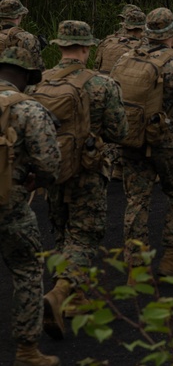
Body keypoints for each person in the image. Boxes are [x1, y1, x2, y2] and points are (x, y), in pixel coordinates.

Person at [33, 22, 127, 341]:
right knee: (85, 233)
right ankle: (61, 293)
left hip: (51, 169)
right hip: (88, 169)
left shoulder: (38, 83)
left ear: (59, 46)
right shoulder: (102, 84)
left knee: (61, 230)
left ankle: (76, 295)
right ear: (86, 49)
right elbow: (119, 132)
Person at [111, 8, 173, 281]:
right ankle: (172, 258)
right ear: (171, 33)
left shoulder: (125, 59)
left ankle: (136, 265)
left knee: (137, 200)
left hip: (132, 139)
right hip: (170, 142)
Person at [0, 48, 61, 366]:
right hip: (10, 206)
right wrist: (37, 181)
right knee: (27, 270)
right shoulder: (28, 109)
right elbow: (50, 164)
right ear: (26, 76)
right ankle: (26, 351)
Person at [95, 8, 145, 73]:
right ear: (143, 28)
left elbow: (96, 66)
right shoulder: (140, 48)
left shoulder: (106, 41)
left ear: (125, 26)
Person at [0, 0, 44, 70]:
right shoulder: (27, 38)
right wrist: (36, 47)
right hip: (16, 79)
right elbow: (38, 69)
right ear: (19, 15)